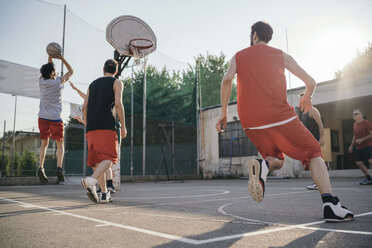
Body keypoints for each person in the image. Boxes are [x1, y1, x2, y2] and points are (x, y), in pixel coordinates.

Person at [216, 21, 353, 222]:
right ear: (267, 37)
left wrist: (224, 112)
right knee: (315, 152)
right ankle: (330, 205)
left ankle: (263, 165)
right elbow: (311, 82)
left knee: (277, 160)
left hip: (250, 121)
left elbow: (227, 80)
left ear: (254, 35)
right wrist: (307, 96)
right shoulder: (281, 55)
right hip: (278, 116)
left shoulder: (238, 56)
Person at [81, 59, 127, 203]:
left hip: (91, 126)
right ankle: (91, 180)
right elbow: (118, 104)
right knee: (111, 158)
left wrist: (88, 125)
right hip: (106, 125)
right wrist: (124, 126)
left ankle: (104, 194)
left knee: (97, 161)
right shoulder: (117, 82)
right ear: (116, 71)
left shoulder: (92, 84)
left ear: (103, 69)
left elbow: (84, 107)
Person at [70, 81, 116, 193]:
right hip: (103, 129)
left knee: (106, 160)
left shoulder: (102, 102)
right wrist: (76, 89)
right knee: (104, 160)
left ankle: (104, 184)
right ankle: (104, 189)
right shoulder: (100, 102)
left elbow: (85, 102)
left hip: (105, 130)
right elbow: (85, 99)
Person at [37, 54, 73, 184]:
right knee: (60, 144)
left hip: (42, 117)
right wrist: (62, 58)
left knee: (44, 144)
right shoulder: (59, 82)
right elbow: (71, 71)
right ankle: (59, 168)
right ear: (53, 73)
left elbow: (47, 70)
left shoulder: (41, 82)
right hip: (55, 119)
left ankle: (41, 167)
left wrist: (49, 56)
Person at [295, 92, 325, 190]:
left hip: (315, 141)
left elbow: (320, 125)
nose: (301, 101)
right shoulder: (303, 112)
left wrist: (321, 138)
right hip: (308, 142)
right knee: (311, 163)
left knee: (316, 162)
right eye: (300, 99)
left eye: (303, 99)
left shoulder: (313, 110)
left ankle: (319, 183)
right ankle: (316, 182)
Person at [348, 108, 372, 185]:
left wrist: (362, 139)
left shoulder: (366, 122)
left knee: (370, 161)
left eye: (356, 114)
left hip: (368, 145)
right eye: (353, 114)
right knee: (359, 162)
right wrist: (351, 145)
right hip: (359, 147)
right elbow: (355, 136)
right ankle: (368, 178)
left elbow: (371, 134)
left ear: (362, 114)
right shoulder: (354, 124)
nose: (354, 115)